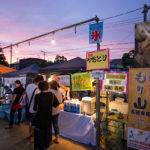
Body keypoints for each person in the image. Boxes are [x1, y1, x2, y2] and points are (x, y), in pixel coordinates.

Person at [33, 81, 59, 150]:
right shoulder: (52, 95)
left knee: (39, 132)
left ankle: (40, 146)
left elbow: (35, 108)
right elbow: (56, 104)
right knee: (47, 131)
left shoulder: (37, 96)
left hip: (39, 117)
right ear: (48, 87)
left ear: (39, 87)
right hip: (48, 117)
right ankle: (46, 145)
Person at [25, 75, 44, 142]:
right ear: (40, 81)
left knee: (30, 122)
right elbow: (39, 101)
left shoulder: (28, 86)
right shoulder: (37, 89)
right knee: (34, 124)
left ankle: (29, 134)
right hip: (35, 109)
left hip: (29, 107)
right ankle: (32, 138)